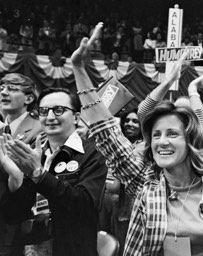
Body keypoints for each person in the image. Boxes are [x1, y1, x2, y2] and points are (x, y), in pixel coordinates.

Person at [72, 22, 203, 256]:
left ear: (191, 141)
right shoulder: (146, 186)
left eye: (172, 134)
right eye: (156, 135)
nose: (161, 142)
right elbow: (106, 130)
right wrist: (78, 68)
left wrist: (193, 95)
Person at [0, 87, 108, 256]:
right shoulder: (34, 154)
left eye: (59, 110)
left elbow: (85, 207)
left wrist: (39, 174)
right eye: (44, 111)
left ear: (76, 117)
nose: (50, 117)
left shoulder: (93, 153)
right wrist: (15, 178)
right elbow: (13, 216)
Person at [0, 73, 42, 256]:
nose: (3, 92)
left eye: (12, 88)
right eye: (2, 87)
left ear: (29, 98)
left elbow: (33, 174)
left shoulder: (39, 128)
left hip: (16, 218)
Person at [99, 108, 143, 256]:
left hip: (126, 204)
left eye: (136, 121)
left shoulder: (144, 147)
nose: (130, 124)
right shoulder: (110, 147)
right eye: (127, 120)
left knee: (122, 245)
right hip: (104, 199)